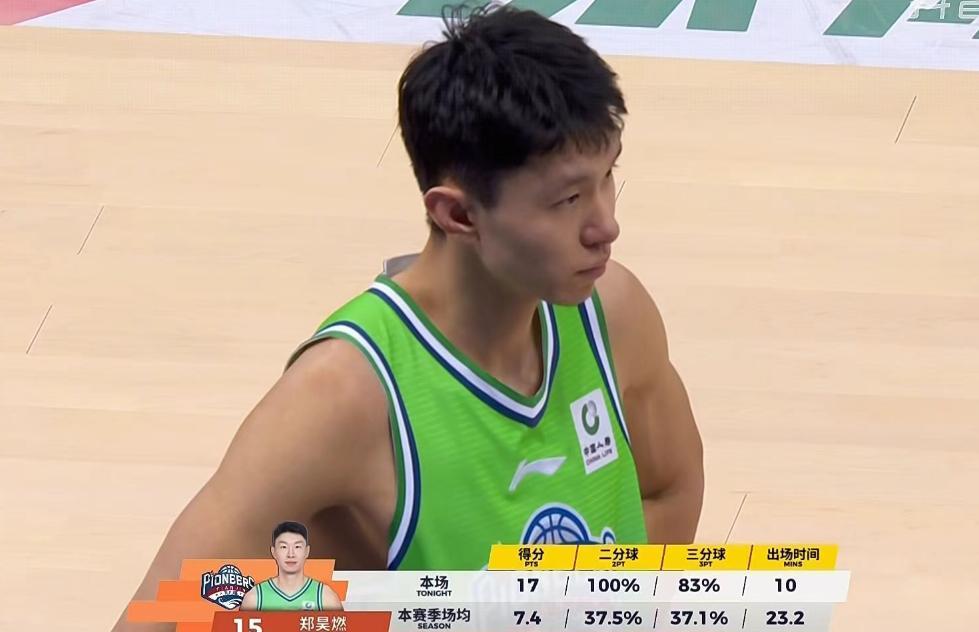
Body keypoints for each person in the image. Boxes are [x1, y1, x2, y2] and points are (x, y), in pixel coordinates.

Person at [112, 4, 703, 630]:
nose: (606, 224)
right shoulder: (342, 397)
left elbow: (669, 491)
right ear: (459, 215)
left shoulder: (614, 313)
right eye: (568, 199)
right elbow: (167, 614)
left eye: (609, 176)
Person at [239, 522, 343, 611]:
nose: (291, 554)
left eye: (297, 546)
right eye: (284, 547)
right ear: (273, 552)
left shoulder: (326, 598)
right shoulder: (254, 599)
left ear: (307, 551)